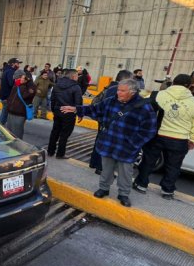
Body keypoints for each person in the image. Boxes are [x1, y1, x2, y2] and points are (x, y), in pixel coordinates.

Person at [61, 79, 157, 207]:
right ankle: (104, 188)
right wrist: (76, 109)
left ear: (132, 92)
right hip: (109, 143)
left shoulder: (144, 107)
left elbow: (149, 130)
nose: (118, 93)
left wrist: (133, 144)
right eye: (118, 90)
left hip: (127, 148)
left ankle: (123, 194)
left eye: (122, 91)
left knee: (125, 173)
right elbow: (94, 109)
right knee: (106, 169)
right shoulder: (111, 101)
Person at [133, 74, 194, 200]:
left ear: (173, 83)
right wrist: (193, 139)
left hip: (157, 135)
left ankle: (141, 184)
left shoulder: (157, 95)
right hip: (180, 139)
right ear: (189, 86)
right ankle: (167, 190)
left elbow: (140, 105)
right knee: (173, 166)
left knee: (148, 161)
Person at [89, 70, 133, 174]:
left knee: (100, 139)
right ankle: (101, 168)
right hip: (112, 120)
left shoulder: (109, 87)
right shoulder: (118, 90)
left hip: (104, 119)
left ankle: (94, 163)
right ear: (125, 79)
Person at [47, 69, 82, 159]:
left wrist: (54, 110)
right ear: (73, 76)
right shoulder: (76, 87)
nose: (78, 77)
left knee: (55, 131)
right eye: (77, 75)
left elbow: (52, 99)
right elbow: (78, 102)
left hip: (58, 112)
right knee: (65, 134)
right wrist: (80, 114)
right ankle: (60, 154)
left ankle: (50, 151)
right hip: (69, 113)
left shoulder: (57, 85)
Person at [6, 72, 36, 139]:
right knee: (9, 134)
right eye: (21, 77)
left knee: (17, 134)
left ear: (27, 79)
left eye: (23, 78)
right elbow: (11, 96)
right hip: (11, 112)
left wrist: (28, 82)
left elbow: (26, 96)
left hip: (19, 114)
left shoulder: (30, 87)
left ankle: (17, 148)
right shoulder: (18, 85)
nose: (21, 79)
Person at [0, 58, 22, 125]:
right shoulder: (10, 71)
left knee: (5, 114)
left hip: (5, 96)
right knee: (4, 115)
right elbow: (11, 83)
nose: (18, 65)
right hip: (7, 97)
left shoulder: (7, 70)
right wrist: (19, 81)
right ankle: (0, 129)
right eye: (17, 63)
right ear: (13, 64)